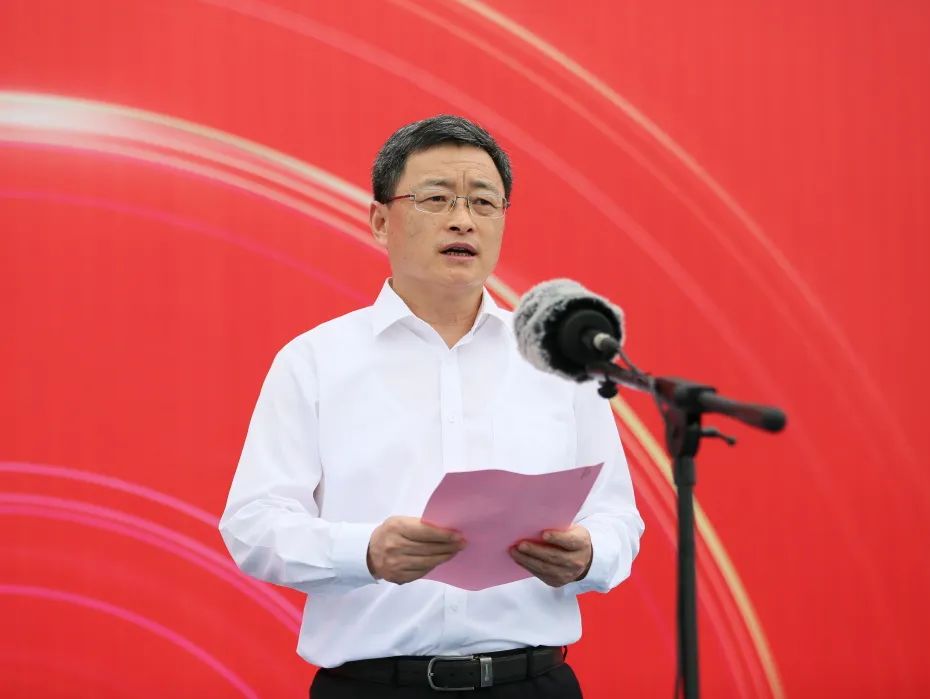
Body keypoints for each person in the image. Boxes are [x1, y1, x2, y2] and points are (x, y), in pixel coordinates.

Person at [219, 115, 644, 698]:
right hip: (373, 687)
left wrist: (590, 554)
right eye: (436, 198)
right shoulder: (315, 360)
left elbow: (618, 518)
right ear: (380, 221)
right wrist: (365, 552)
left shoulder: (554, 358)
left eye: (483, 202)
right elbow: (254, 526)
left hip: (532, 682)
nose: (462, 219)